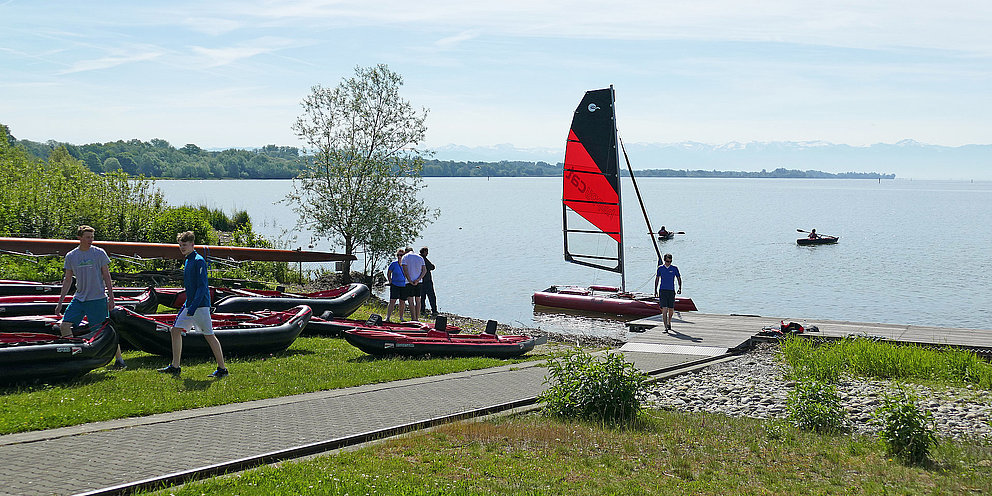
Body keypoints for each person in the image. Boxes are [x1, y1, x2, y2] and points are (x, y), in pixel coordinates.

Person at [158, 231, 228, 378]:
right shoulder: (188, 260)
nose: (182, 248)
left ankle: (222, 369)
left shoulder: (198, 260)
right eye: (180, 245)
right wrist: (188, 304)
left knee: (209, 336)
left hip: (200, 306)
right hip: (189, 304)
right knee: (175, 331)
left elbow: (202, 287)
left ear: (192, 245)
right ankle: (175, 366)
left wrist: (194, 306)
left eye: (184, 245)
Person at [55, 225, 125, 369]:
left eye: (92, 237)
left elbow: (106, 275)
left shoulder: (99, 253)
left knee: (104, 330)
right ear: (79, 238)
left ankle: (119, 360)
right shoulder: (71, 256)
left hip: (97, 298)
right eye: (87, 237)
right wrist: (60, 302)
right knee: (64, 325)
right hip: (80, 298)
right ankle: (74, 356)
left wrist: (111, 298)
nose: (90, 240)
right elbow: (68, 280)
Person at [654, 253, 683, 332]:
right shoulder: (660, 268)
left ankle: (669, 321)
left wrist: (680, 287)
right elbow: (657, 279)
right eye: (667, 261)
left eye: (670, 261)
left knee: (671, 309)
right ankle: (665, 327)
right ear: (664, 260)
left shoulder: (674, 268)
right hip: (663, 290)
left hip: (671, 290)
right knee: (664, 309)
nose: (668, 263)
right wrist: (655, 290)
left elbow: (678, 278)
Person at [401, 246, 427, 321]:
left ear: (406, 251)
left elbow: (405, 270)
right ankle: (417, 318)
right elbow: (424, 270)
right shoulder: (420, 257)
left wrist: (409, 280)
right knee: (418, 300)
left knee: (410, 300)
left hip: (409, 282)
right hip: (419, 282)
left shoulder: (405, 257)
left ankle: (413, 318)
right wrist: (418, 279)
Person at [385, 249, 408, 322]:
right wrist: (390, 281)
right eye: (398, 255)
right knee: (392, 301)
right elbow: (389, 273)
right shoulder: (393, 264)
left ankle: (401, 317)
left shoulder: (406, 264)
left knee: (402, 302)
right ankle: (388, 317)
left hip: (404, 285)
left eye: (401, 255)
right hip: (395, 285)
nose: (399, 256)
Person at [418, 246, 438, 318]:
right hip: (427, 281)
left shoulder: (418, 259)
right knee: (431, 296)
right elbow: (432, 267)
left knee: (422, 297)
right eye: (427, 252)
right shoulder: (424, 259)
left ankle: (422, 310)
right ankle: (434, 310)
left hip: (421, 281)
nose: (428, 253)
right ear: (424, 252)